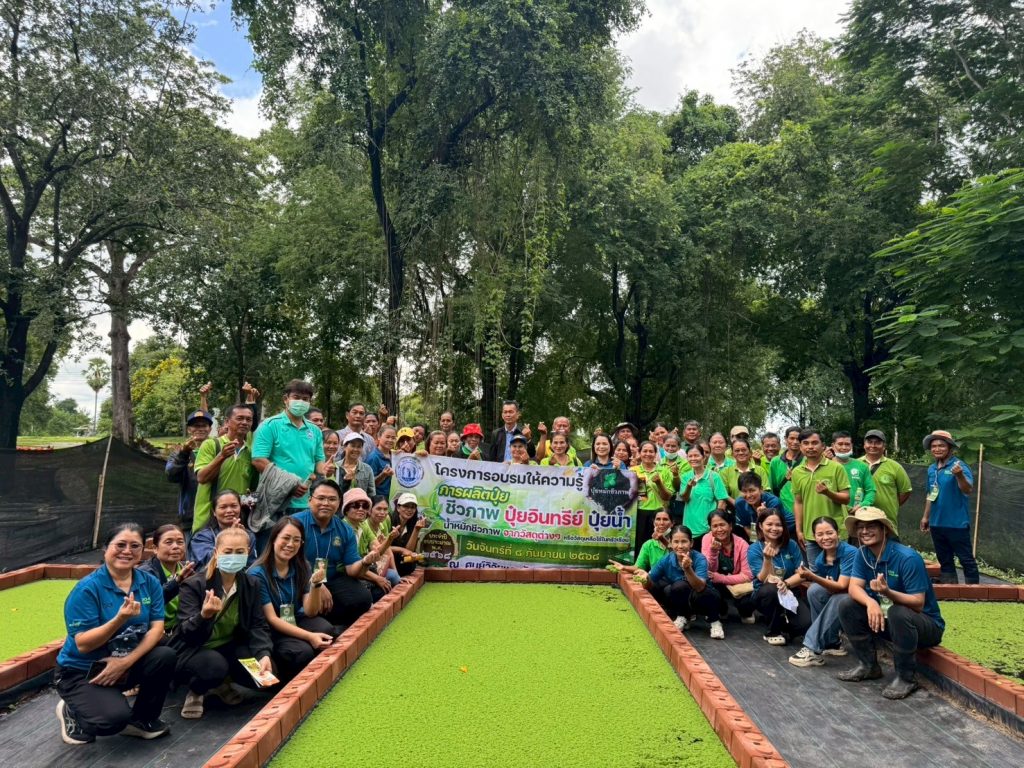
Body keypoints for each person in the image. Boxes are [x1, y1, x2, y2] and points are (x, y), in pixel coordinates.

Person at [54, 523, 176, 745]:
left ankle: (141, 720)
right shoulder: (87, 589)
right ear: (106, 548)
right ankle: (72, 710)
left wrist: (125, 663)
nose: (127, 551)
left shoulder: (149, 583)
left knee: (164, 655)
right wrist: (119, 619)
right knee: (111, 720)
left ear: (143, 550)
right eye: (120, 545)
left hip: (124, 664)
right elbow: (83, 644)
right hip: (83, 671)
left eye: (135, 546)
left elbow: (157, 629)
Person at [838, 507, 944, 699]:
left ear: (884, 529)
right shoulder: (863, 554)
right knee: (847, 605)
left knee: (898, 612)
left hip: (924, 625)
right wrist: (871, 603)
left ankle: (905, 678)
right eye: (860, 527)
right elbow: (854, 587)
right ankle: (868, 666)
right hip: (887, 621)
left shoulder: (907, 558)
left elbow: (918, 603)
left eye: (871, 526)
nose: (864, 531)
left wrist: (887, 592)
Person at [172, 526, 274, 719]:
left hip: (229, 645)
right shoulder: (194, 584)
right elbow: (185, 631)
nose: (233, 556)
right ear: (216, 553)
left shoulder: (251, 584)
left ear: (248, 552)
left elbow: (257, 624)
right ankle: (196, 690)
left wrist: (263, 654)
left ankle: (221, 683)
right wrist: (204, 615)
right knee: (214, 668)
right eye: (228, 551)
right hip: (196, 648)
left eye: (240, 552)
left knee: (262, 677)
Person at [247, 517, 337, 683]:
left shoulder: (302, 566)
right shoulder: (257, 574)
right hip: (270, 630)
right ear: (274, 539)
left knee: (326, 630)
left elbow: (311, 611)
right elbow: (272, 619)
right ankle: (284, 675)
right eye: (286, 538)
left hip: (293, 619)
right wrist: (309, 636)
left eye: (296, 540)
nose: (290, 544)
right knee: (302, 651)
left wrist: (315, 586)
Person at [292, 479, 385, 628]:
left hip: (332, 579)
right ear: (310, 500)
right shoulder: (295, 524)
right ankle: (316, 624)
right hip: (300, 579)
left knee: (362, 598)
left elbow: (351, 569)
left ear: (339, 503)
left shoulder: (344, 529)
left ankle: (336, 625)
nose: (326, 503)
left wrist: (364, 562)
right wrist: (316, 584)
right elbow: (286, 562)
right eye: (321, 498)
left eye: (332, 499)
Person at [251, 380, 327, 551]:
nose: (301, 402)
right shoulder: (270, 425)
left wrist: (324, 471)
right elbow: (258, 460)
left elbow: (319, 462)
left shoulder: (314, 431)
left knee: (299, 553)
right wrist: (290, 484)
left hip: (304, 504)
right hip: (274, 503)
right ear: (286, 399)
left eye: (305, 399)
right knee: (270, 551)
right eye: (296, 397)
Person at [788, 517, 857, 667]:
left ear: (838, 533)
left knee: (838, 598)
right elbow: (830, 585)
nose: (825, 538)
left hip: (860, 597)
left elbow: (842, 585)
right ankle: (831, 642)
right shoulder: (820, 559)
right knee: (814, 590)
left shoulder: (850, 552)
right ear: (814, 537)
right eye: (820, 534)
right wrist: (786, 583)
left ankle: (811, 647)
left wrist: (812, 576)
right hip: (842, 596)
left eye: (829, 533)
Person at [643, 525, 724, 639]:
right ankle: (683, 616)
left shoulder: (700, 558)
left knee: (704, 594)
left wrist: (688, 569)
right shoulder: (666, 560)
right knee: (672, 588)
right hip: (685, 595)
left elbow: (700, 587)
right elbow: (650, 582)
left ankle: (715, 621)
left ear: (691, 543)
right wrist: (644, 578)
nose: (680, 546)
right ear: (670, 543)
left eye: (684, 541)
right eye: (676, 542)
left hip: (703, 596)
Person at [920, 430, 979, 584]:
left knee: (966, 559)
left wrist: (959, 475)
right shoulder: (932, 469)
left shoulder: (959, 466)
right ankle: (949, 586)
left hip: (956, 523)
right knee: (944, 558)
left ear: (950, 448)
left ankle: (974, 591)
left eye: (941, 445)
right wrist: (926, 517)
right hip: (936, 523)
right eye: (934, 446)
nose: (937, 449)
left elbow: (967, 489)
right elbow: (930, 494)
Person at [747, 509, 810, 646]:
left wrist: (785, 583)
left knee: (805, 624)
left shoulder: (791, 545)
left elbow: (802, 574)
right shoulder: (754, 549)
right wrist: (767, 559)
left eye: (778, 525)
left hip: (789, 592)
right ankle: (772, 632)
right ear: (760, 526)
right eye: (769, 524)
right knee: (771, 590)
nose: (774, 528)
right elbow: (763, 578)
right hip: (765, 594)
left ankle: (784, 625)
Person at [194, 403, 258, 534]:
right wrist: (221, 456)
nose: (244, 422)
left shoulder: (251, 452)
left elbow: (252, 488)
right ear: (227, 422)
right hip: (208, 520)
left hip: (237, 521)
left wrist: (248, 500)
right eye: (239, 418)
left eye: (248, 419)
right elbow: (201, 477)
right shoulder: (211, 445)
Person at [791, 428, 850, 566]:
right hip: (811, 534)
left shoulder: (836, 468)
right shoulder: (797, 472)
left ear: (823, 446)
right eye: (806, 443)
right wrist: (799, 530)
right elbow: (798, 502)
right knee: (815, 571)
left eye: (814, 443)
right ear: (801, 447)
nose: (810, 447)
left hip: (835, 532)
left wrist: (828, 493)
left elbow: (846, 498)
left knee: (840, 570)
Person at [340, 488, 399, 601]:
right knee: (376, 589)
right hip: (346, 573)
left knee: (391, 577)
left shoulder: (363, 525)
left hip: (363, 569)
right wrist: (376, 578)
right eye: (356, 505)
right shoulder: (343, 529)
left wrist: (390, 539)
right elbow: (350, 568)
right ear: (346, 509)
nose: (361, 509)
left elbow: (377, 551)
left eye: (365, 506)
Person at [138, 524, 195, 632]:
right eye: (169, 542)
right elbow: (149, 603)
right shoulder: (145, 573)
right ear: (155, 548)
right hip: (154, 631)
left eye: (180, 542)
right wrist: (176, 582)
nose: (175, 546)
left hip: (181, 629)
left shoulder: (188, 569)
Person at [702, 510, 755, 625]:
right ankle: (721, 610)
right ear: (710, 528)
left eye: (722, 525)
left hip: (737, 584)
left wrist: (721, 578)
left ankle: (746, 612)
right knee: (707, 586)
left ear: (730, 526)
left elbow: (748, 575)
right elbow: (708, 569)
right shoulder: (707, 539)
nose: (719, 529)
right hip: (717, 584)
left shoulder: (742, 544)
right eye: (715, 526)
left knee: (746, 603)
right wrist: (713, 552)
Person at [166, 408, 213, 532]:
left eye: (204, 425)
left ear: (210, 429)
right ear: (189, 429)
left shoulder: (217, 450)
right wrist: (184, 453)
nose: (200, 429)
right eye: (196, 426)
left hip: (215, 511)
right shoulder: (178, 452)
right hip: (190, 515)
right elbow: (171, 476)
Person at [188, 490, 258, 570]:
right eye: (223, 507)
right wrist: (230, 537)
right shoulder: (201, 537)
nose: (229, 510)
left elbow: (250, 565)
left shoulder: (248, 535)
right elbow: (209, 561)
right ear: (214, 512)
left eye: (234, 506)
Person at [679, 444, 728, 548]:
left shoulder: (713, 476)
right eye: (690, 456)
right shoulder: (685, 477)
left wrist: (714, 526)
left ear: (703, 457)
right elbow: (685, 499)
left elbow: (722, 502)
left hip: (708, 530)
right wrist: (688, 487)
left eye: (696, 455)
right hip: (689, 529)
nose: (693, 458)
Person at [860, 429, 912, 528]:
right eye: (869, 442)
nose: (873, 445)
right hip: (859, 518)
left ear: (884, 446)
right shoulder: (855, 464)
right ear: (864, 445)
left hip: (886, 520)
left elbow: (905, 491)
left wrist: (892, 504)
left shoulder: (895, 467)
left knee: (888, 538)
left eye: (877, 443)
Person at [632, 440, 671, 556]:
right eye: (645, 451)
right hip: (638, 512)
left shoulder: (664, 471)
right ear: (639, 453)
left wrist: (659, 483)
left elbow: (668, 497)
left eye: (651, 451)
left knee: (658, 544)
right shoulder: (632, 471)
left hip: (659, 514)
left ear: (655, 454)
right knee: (639, 545)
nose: (648, 454)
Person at [826, 431, 876, 515]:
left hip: (857, 513)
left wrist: (863, 505)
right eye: (840, 444)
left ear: (851, 445)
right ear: (833, 446)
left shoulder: (862, 466)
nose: (844, 447)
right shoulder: (825, 465)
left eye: (847, 444)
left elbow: (871, 490)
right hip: (831, 513)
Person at [733, 473, 787, 540]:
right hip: (761, 535)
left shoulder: (774, 503)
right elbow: (747, 528)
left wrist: (764, 517)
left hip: (787, 531)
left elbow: (775, 532)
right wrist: (758, 543)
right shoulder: (739, 504)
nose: (748, 495)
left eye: (752, 490)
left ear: (761, 489)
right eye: (744, 491)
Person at [619, 510, 672, 576]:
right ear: (654, 523)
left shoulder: (678, 540)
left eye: (665, 519)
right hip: (656, 580)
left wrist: (661, 538)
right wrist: (623, 567)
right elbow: (638, 567)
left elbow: (676, 553)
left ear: (672, 523)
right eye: (658, 519)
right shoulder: (648, 544)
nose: (661, 523)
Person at [768, 426, 803, 525]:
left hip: (804, 509)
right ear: (785, 439)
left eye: (798, 439)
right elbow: (773, 488)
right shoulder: (775, 461)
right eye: (792, 438)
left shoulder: (807, 460)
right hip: (783, 511)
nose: (795, 442)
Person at [364, 495, 400, 587]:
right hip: (365, 567)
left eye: (385, 509)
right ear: (369, 510)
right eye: (378, 509)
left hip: (377, 565)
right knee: (392, 577)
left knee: (395, 576)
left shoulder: (383, 524)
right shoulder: (365, 525)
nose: (382, 512)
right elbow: (378, 551)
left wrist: (397, 575)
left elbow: (388, 551)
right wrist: (390, 539)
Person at [391, 493, 431, 576]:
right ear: (398, 508)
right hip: (387, 559)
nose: (409, 510)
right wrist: (401, 550)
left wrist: (416, 530)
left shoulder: (413, 524)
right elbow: (381, 548)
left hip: (401, 561)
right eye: (406, 506)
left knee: (413, 562)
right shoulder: (389, 521)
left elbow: (408, 550)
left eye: (412, 507)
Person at [335, 432, 375, 496]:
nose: (356, 449)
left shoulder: (367, 469)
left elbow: (371, 494)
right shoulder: (335, 467)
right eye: (353, 446)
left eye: (359, 447)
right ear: (345, 447)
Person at [658, 433, 686, 523]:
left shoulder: (685, 464)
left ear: (679, 447)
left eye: (673, 446)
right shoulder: (659, 463)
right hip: (662, 502)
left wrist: (676, 475)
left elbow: (680, 486)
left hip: (678, 503)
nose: (670, 448)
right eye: (667, 445)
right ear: (663, 445)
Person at [367, 425, 397, 495]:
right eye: (387, 437)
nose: (390, 440)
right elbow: (368, 484)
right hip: (378, 498)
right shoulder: (373, 457)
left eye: (393, 438)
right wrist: (383, 475)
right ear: (379, 437)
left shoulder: (395, 456)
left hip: (392, 497)